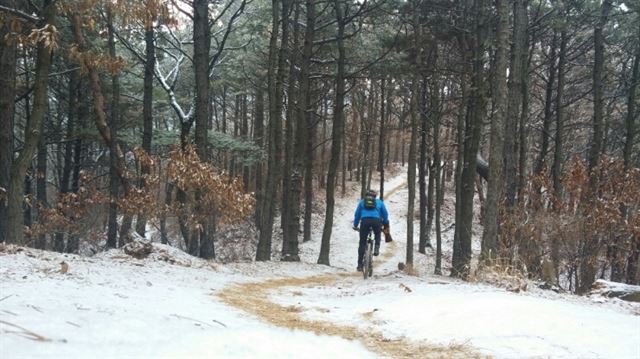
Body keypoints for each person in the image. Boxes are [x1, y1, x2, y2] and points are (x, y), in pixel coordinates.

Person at [352, 189, 390, 271]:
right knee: (377, 233)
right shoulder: (379, 202)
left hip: (365, 221)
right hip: (376, 221)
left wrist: (355, 224)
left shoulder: (362, 202)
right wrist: (385, 222)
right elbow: (385, 214)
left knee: (362, 242)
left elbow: (357, 214)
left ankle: (359, 265)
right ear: (375, 196)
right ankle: (376, 247)